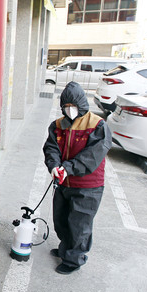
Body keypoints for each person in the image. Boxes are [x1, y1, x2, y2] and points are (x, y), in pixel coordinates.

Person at [43, 81, 112, 274]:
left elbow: (92, 156)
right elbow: (51, 148)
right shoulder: (57, 125)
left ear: (82, 105)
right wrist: (54, 166)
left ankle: (74, 259)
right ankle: (67, 248)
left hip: (88, 186)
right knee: (62, 219)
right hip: (64, 182)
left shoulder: (98, 125)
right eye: (66, 107)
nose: (69, 110)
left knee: (79, 224)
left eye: (73, 107)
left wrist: (68, 168)